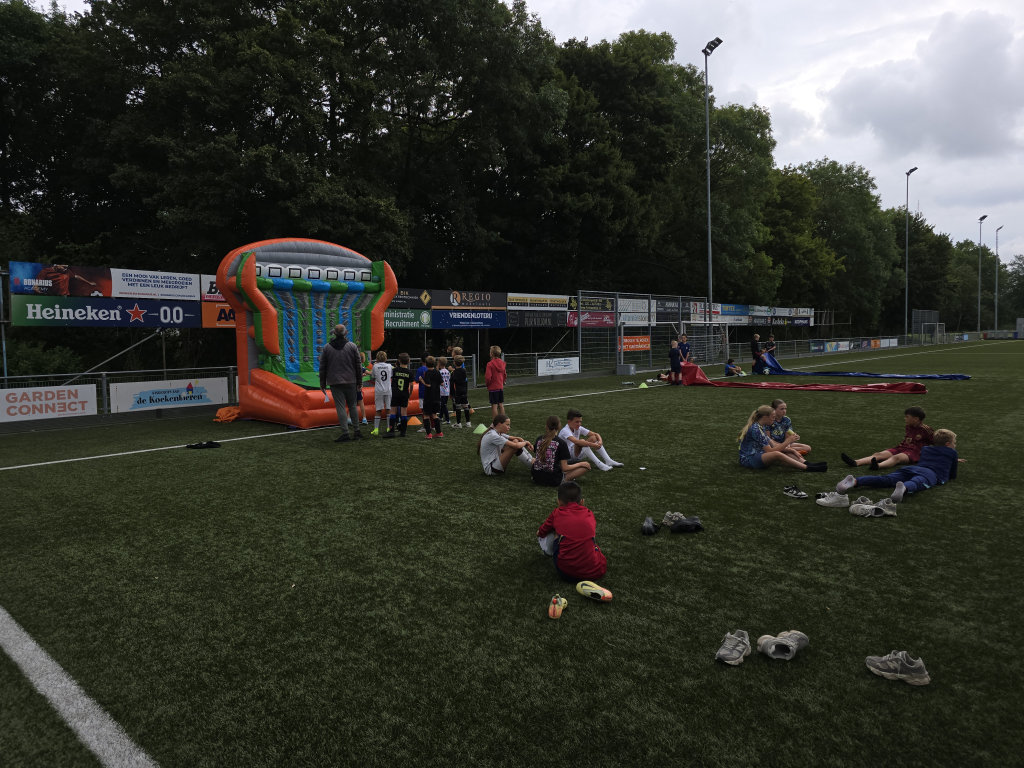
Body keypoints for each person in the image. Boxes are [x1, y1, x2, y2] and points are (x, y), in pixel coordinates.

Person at [837, 429, 964, 501]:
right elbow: (952, 475)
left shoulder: (925, 449)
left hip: (912, 468)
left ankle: (854, 481)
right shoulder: (952, 452)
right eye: (954, 443)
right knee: (918, 481)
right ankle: (904, 488)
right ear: (948, 444)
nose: (955, 445)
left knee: (886, 479)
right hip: (931, 473)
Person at [536, 481, 608, 583]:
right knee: (592, 543)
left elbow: (542, 531)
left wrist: (539, 533)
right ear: (582, 502)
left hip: (567, 574)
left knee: (555, 531)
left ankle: (548, 552)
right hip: (596, 572)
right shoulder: (589, 513)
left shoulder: (557, 513)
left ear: (559, 502)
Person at [737, 405, 826, 471]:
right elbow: (770, 451)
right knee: (777, 453)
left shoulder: (760, 426)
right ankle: (807, 468)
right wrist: (788, 441)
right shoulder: (756, 429)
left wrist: (791, 450)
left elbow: (773, 444)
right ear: (765, 417)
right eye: (773, 417)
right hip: (748, 459)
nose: (774, 419)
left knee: (782, 450)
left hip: (758, 454)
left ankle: (807, 463)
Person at [841, 406, 934, 469]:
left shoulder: (926, 429)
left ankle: (878, 466)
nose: (905, 418)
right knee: (878, 454)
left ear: (916, 419)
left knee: (896, 458)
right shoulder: (908, 426)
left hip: (914, 452)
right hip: (901, 447)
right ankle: (856, 462)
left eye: (907, 417)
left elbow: (936, 442)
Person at [318, 324, 363, 442]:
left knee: (340, 407)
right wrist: (359, 381)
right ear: (345, 333)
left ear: (334, 333)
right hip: (351, 380)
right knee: (352, 406)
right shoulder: (352, 346)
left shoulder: (327, 348)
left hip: (335, 382)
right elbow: (358, 366)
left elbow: (322, 367)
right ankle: (357, 431)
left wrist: (322, 383)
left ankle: (345, 433)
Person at [532, 415, 591, 486]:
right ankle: (565, 478)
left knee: (534, 460)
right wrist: (580, 464)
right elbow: (565, 468)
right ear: (559, 427)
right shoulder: (561, 443)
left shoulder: (539, 439)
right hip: (553, 479)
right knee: (585, 467)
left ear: (546, 427)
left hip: (537, 478)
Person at [384, 352, 413, 438]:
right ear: (409, 361)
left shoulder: (395, 370)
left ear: (399, 361)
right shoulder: (410, 372)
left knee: (393, 411)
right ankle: (403, 432)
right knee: (404, 412)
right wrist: (410, 393)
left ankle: (391, 431)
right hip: (404, 393)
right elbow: (411, 385)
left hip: (395, 393)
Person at [421, 356, 444, 438]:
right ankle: (439, 432)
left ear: (426, 364)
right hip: (436, 396)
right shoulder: (437, 372)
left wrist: (422, 381)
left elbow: (428, 385)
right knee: (434, 415)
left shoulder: (427, 373)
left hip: (428, 397)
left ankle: (428, 434)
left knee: (426, 415)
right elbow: (442, 383)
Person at [371, 351, 393, 436]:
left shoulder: (375, 366)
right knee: (388, 409)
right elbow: (391, 376)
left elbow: (373, 377)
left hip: (379, 390)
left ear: (377, 359)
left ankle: (376, 429)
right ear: (386, 358)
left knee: (378, 409)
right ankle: (388, 427)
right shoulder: (389, 366)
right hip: (388, 389)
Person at [451, 354, 473, 428]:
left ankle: (459, 423)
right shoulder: (464, 371)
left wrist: (451, 393)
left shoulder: (454, 373)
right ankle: (468, 422)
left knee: (458, 407)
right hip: (464, 391)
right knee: (465, 406)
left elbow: (452, 383)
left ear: (454, 363)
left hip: (457, 391)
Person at [485, 345, 507, 418]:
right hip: (500, 386)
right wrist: (502, 381)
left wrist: (488, 384)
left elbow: (488, 377)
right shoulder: (502, 363)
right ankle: (503, 420)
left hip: (493, 387)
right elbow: (505, 375)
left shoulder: (490, 364)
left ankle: (495, 422)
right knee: (500, 404)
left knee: (494, 405)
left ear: (491, 354)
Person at [415, 356, 430, 431]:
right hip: (432, 392)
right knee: (431, 410)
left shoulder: (420, 369)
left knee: (423, 410)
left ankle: (425, 426)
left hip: (423, 391)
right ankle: (433, 425)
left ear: (421, 360)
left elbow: (417, 380)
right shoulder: (433, 370)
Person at [357, 352, 371, 426]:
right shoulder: (361, 367)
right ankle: (364, 418)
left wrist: (362, 375)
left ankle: (349, 418)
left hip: (353, 386)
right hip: (358, 387)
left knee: (352, 402)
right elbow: (369, 373)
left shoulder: (354, 366)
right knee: (361, 402)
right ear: (362, 360)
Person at [438, 355, 452, 425]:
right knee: (443, 404)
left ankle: (447, 419)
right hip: (447, 390)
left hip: (441, 390)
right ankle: (440, 417)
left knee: (443, 405)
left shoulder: (439, 372)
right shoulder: (447, 372)